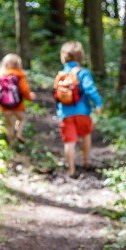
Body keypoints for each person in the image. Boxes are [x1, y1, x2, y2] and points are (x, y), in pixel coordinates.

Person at [54, 41, 102, 177]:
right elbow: (90, 89)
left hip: (66, 113)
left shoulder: (61, 74)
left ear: (63, 57)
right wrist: (98, 103)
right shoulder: (83, 72)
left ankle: (71, 169)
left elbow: (57, 96)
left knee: (69, 141)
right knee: (86, 135)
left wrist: (60, 113)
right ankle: (86, 162)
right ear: (80, 57)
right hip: (83, 112)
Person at [0, 53, 36, 147]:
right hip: (18, 106)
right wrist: (30, 97)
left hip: (4, 107)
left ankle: (11, 145)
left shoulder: (0, 76)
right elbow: (24, 90)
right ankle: (19, 133)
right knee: (21, 119)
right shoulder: (19, 75)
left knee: (9, 125)